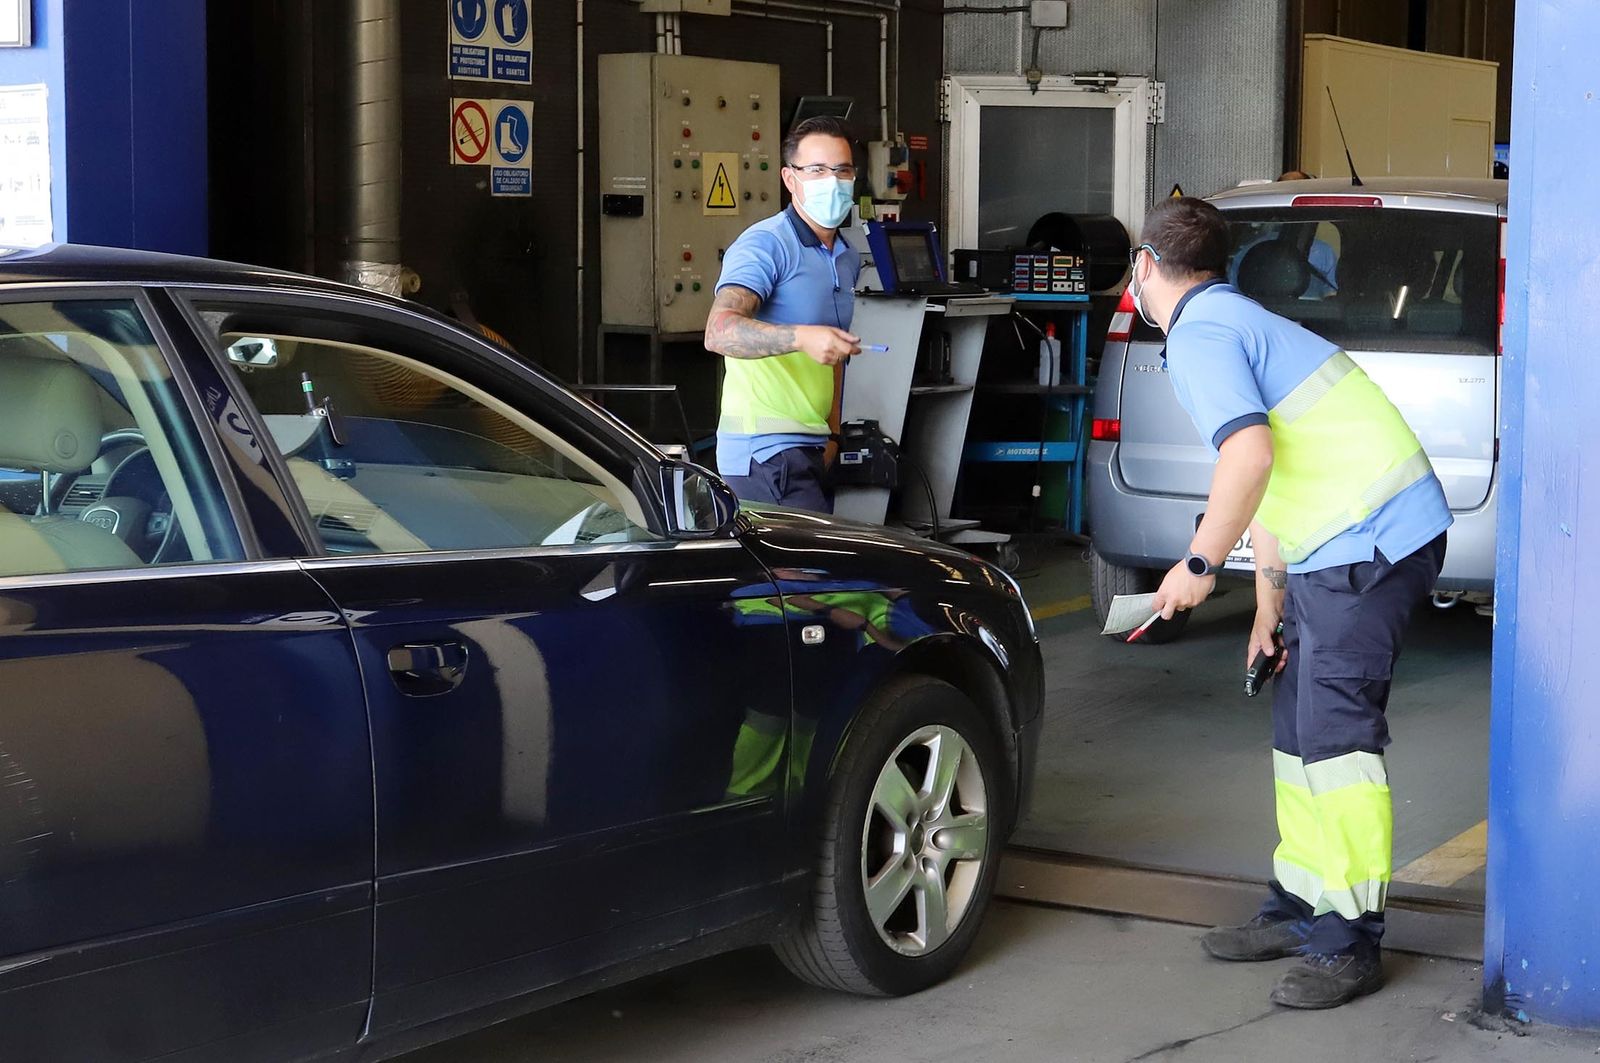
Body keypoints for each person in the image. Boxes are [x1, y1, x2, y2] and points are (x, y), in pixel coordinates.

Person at [1137, 197, 1452, 1010]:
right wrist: (1265, 609)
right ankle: (1302, 905)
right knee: (1296, 725)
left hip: (1372, 539)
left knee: (1336, 738)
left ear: (1144, 266)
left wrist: (1199, 562)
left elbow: (1247, 454)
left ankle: (1350, 940)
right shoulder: (1237, 318)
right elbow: (1274, 476)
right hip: (1334, 541)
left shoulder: (1202, 336)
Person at [703, 115, 863, 512]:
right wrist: (801, 337)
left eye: (842, 170)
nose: (832, 180)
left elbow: (834, 353)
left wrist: (833, 432)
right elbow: (719, 331)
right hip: (764, 452)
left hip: (810, 446)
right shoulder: (766, 244)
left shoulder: (847, 256)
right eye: (817, 170)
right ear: (790, 179)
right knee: (811, 571)